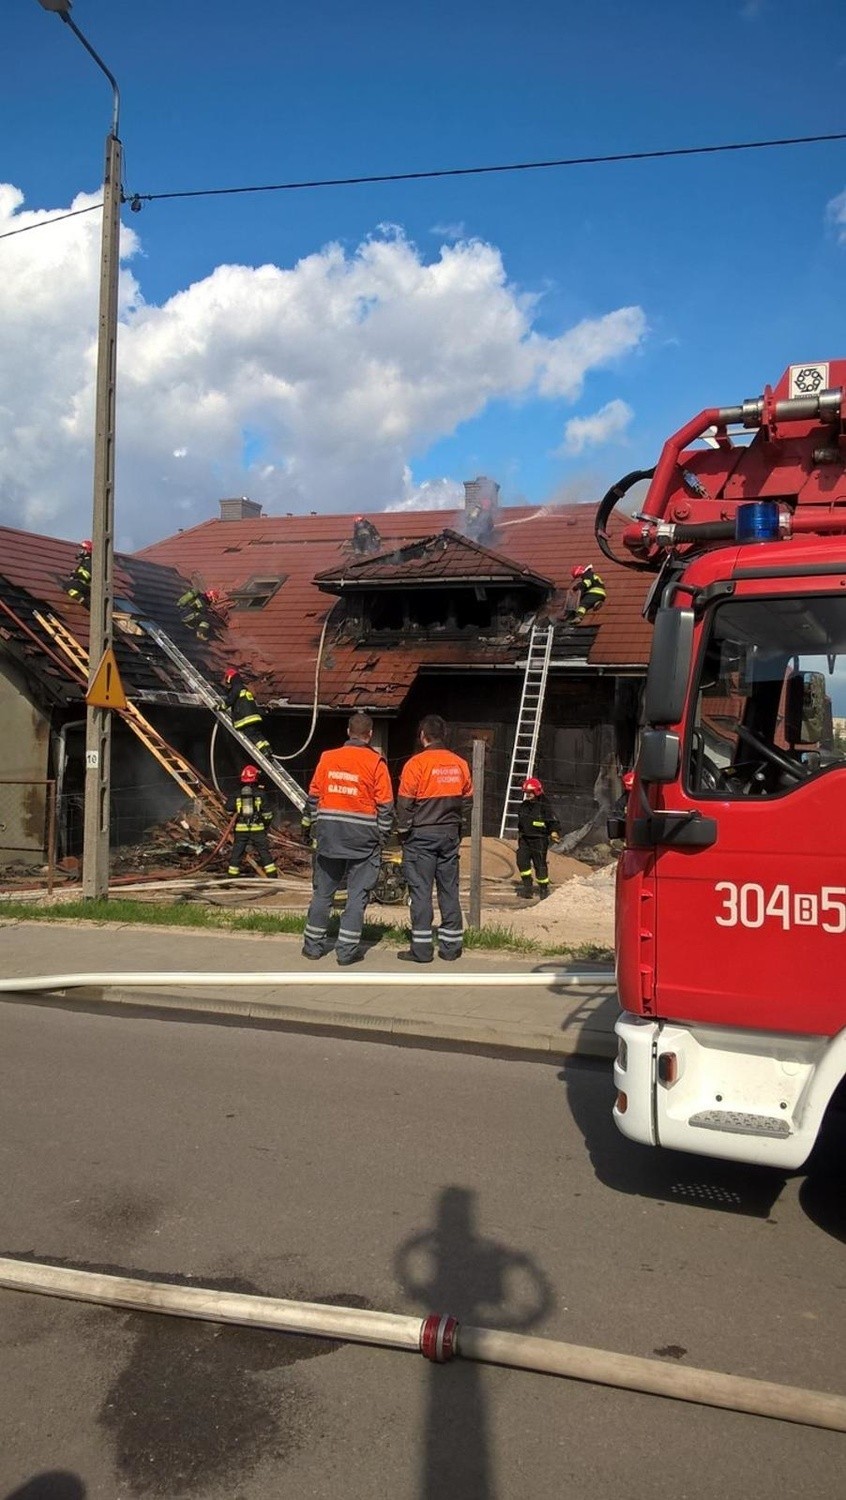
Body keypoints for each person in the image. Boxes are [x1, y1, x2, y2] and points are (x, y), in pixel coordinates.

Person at [300, 711, 394, 966]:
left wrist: (310, 828)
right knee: (357, 896)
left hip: (329, 837)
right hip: (363, 842)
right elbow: (385, 807)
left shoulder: (327, 758)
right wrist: (382, 837)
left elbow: (313, 798)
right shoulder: (376, 763)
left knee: (323, 894)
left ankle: (312, 947)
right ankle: (346, 952)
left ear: (348, 731)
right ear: (370, 735)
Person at [396, 714, 473, 963]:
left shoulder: (416, 764)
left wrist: (403, 833)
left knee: (421, 892)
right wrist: (458, 829)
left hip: (422, 836)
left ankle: (421, 949)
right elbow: (468, 803)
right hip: (449, 835)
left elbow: (405, 805)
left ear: (422, 736)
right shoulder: (460, 764)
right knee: (449, 890)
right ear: (444, 735)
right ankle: (451, 948)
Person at [226, 764, 277, 878]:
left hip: (240, 829)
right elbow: (267, 814)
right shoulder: (261, 793)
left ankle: (232, 876)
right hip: (258, 828)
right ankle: (272, 875)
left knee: (237, 852)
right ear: (255, 778)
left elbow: (228, 808)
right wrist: (265, 825)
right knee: (263, 851)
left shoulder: (237, 793)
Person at [516, 776, 561, 901]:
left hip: (539, 839)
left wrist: (554, 832)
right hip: (525, 839)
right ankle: (527, 887)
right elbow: (521, 820)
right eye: (526, 793)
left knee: (539, 864)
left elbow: (553, 820)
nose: (528, 795)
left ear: (536, 791)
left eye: (530, 792)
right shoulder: (524, 805)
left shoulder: (544, 805)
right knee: (522, 861)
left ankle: (543, 889)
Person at [223, 668, 271, 754]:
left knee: (251, 735)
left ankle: (264, 751)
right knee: (258, 734)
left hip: (246, 719)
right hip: (254, 717)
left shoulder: (236, 688)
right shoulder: (244, 688)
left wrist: (221, 707)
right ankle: (268, 749)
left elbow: (230, 700)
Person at [66, 541, 93, 607]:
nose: (80, 552)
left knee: (68, 586)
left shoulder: (89, 562)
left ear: (87, 551)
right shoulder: (84, 562)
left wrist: (74, 575)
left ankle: (84, 601)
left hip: (86, 586)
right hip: (83, 586)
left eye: (82, 550)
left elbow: (86, 576)